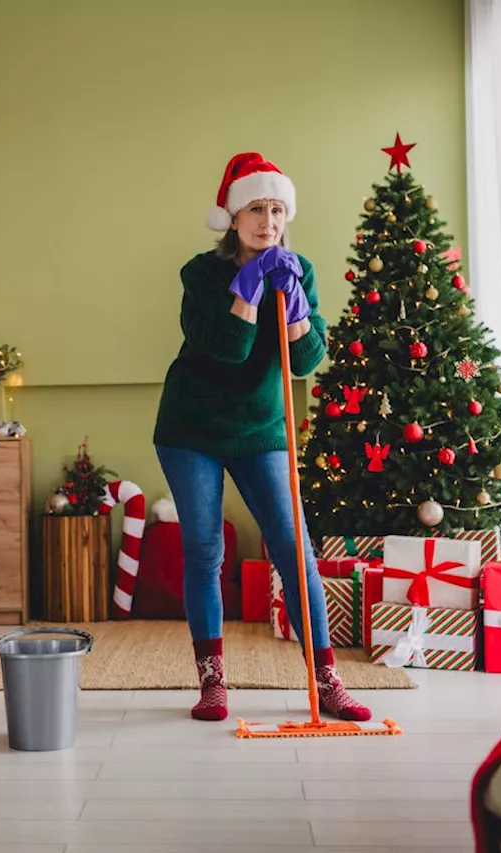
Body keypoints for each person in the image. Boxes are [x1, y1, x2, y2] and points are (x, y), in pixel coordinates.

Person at [153, 152, 371, 723]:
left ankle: (326, 680)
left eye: (276, 209)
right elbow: (224, 350)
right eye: (255, 208)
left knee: (295, 553)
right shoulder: (200, 274)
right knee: (205, 551)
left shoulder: (300, 270)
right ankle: (212, 684)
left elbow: (306, 361)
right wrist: (246, 290)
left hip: (261, 428)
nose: (267, 220)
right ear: (232, 216)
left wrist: (296, 307)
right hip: (192, 428)